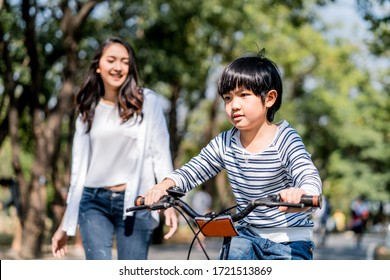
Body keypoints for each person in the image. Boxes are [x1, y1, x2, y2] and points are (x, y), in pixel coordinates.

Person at [143, 50, 322, 260]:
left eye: (244, 95)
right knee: (233, 252)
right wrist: (162, 186)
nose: (234, 105)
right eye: (228, 98)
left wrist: (303, 192)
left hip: (289, 240)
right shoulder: (225, 143)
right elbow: (193, 170)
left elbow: (306, 172)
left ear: (270, 98)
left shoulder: (285, 139)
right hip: (247, 237)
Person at [51, 37, 177, 260]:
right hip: (93, 202)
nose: (118, 67)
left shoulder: (147, 102)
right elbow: (78, 170)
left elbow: (161, 154)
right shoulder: (87, 107)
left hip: (137, 201)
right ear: (99, 66)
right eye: (111, 60)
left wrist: (167, 201)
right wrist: (65, 224)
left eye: (124, 62)